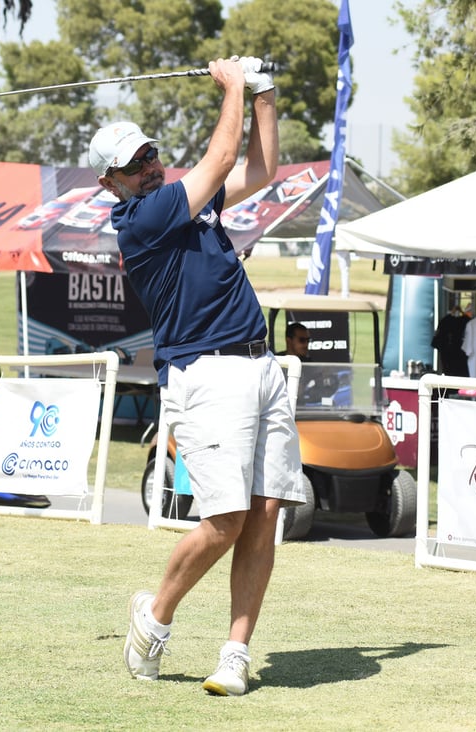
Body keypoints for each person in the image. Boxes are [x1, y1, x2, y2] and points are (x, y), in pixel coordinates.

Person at [88, 56, 304, 697]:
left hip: (260, 364)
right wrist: (232, 85)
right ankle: (154, 619)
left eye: (151, 153)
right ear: (111, 183)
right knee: (225, 519)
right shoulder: (142, 220)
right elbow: (221, 155)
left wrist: (264, 92)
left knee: (265, 513)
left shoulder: (192, 205)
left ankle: (235, 654)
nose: (150, 166)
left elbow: (261, 170)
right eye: (135, 164)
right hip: (207, 375)